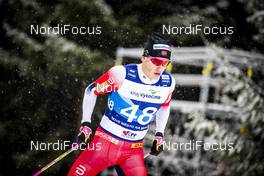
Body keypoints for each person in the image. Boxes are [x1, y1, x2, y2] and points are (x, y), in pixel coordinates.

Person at [68, 33, 176, 176]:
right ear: (144, 57)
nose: (161, 68)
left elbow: (164, 106)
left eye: (165, 63)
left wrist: (159, 134)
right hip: (105, 144)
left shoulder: (168, 83)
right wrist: (86, 124)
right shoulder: (121, 75)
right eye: (156, 61)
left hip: (133, 150)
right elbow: (91, 91)